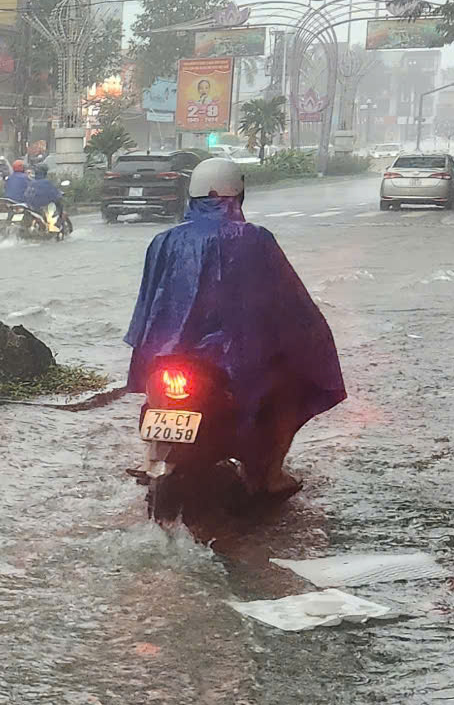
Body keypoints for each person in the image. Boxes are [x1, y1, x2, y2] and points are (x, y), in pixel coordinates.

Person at [124, 158, 345, 498]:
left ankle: (151, 457)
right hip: (234, 362)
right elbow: (288, 300)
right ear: (238, 194)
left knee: (156, 398)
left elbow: (148, 307)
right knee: (288, 391)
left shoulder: (163, 241)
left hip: (166, 358)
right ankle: (269, 475)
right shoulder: (255, 239)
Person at [26, 163, 65, 229]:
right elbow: (55, 195)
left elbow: (26, 194)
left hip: (33, 207)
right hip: (45, 207)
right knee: (58, 205)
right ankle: (56, 224)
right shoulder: (47, 183)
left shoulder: (32, 183)